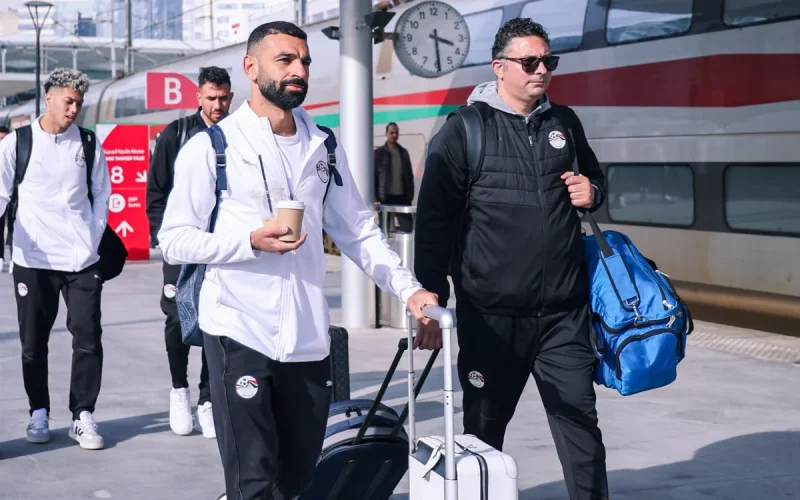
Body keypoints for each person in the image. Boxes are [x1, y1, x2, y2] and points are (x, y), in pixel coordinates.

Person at [157, 21, 439, 500]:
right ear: (251, 68)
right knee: (254, 480)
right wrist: (249, 241)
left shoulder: (323, 145)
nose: (299, 70)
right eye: (285, 60)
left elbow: (359, 231)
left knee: (298, 478)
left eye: (304, 61)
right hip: (238, 328)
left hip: (308, 339)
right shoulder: (212, 147)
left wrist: (409, 289)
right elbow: (174, 240)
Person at [414, 18, 609, 499]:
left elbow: (596, 179)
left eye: (548, 61)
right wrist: (430, 301)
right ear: (499, 68)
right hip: (491, 319)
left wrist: (593, 192)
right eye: (530, 62)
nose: (542, 70)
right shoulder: (465, 130)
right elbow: (435, 223)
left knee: (581, 430)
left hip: (563, 315)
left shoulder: (565, 122)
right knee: (483, 435)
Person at [0, 68, 111, 450]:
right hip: (33, 260)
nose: (74, 109)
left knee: (89, 338)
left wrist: (93, 237)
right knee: (33, 343)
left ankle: (83, 415)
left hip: (81, 260)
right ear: (48, 98)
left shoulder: (88, 142)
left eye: (78, 103)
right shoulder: (18, 143)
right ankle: (39, 411)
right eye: (68, 101)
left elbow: (102, 193)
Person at [146, 66, 234, 439]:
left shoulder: (237, 135)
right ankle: (179, 391)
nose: (218, 105)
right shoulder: (177, 134)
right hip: (182, 246)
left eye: (224, 98)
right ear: (198, 96)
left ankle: (208, 399)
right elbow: (155, 192)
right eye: (211, 98)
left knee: (215, 319)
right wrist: (165, 239)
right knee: (177, 319)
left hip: (221, 247)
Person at [374, 122, 414, 232]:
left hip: (402, 198)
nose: (394, 135)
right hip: (385, 198)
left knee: (407, 228)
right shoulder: (379, 153)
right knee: (385, 230)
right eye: (391, 133)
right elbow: (375, 176)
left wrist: (410, 196)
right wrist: (376, 198)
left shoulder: (403, 153)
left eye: (396, 133)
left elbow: (409, 176)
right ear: (386, 134)